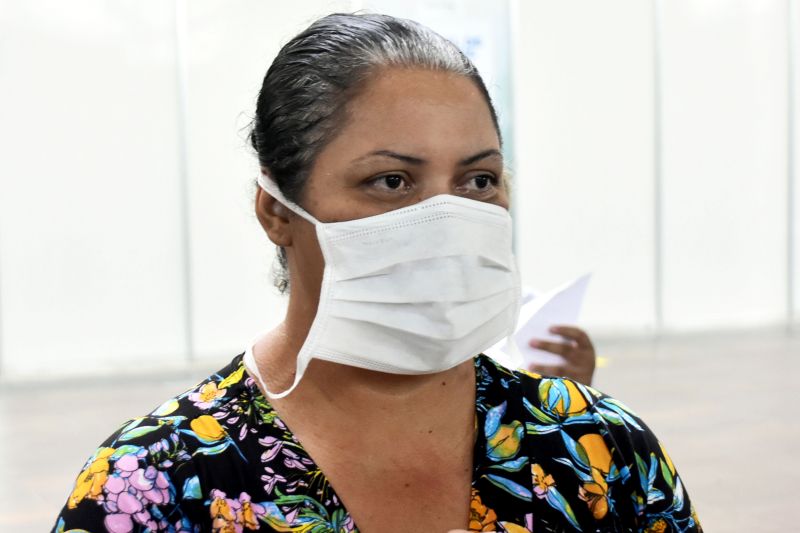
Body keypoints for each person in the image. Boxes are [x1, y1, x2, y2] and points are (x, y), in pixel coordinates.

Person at [53, 13, 700, 533]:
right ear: (277, 212)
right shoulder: (155, 489)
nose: (448, 221)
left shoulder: (599, 449)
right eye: (391, 180)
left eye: (478, 180)